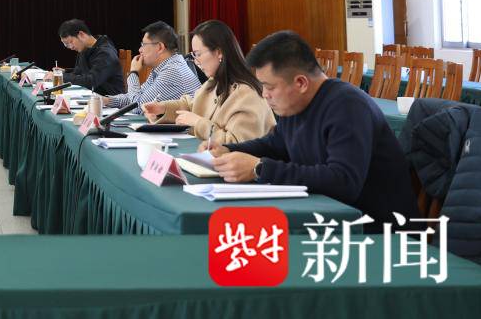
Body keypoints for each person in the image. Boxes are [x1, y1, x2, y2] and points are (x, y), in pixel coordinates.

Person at [211, 30, 419, 225]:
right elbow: (276, 145)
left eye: (270, 87)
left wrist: (259, 169)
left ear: (301, 83)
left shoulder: (347, 106)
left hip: (378, 230)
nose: (264, 94)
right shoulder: (294, 104)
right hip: (328, 217)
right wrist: (229, 150)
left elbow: (343, 181)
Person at [141, 19, 273, 146]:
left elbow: (238, 143)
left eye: (198, 54)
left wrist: (198, 122)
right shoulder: (213, 82)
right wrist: (162, 109)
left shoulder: (247, 93)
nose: (196, 61)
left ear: (219, 52)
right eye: (194, 55)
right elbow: (192, 105)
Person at [103, 21, 200, 109]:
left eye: (143, 45)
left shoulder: (172, 71)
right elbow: (136, 97)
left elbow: (138, 107)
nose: (140, 50)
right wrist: (105, 101)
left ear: (160, 47)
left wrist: (133, 73)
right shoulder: (162, 67)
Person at [56, 19, 125, 95]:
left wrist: (60, 76)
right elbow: (80, 71)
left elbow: (91, 81)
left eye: (70, 42)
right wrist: (64, 71)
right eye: (66, 45)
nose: (70, 47)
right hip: (92, 95)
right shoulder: (85, 48)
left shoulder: (105, 53)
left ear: (81, 35)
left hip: (109, 98)